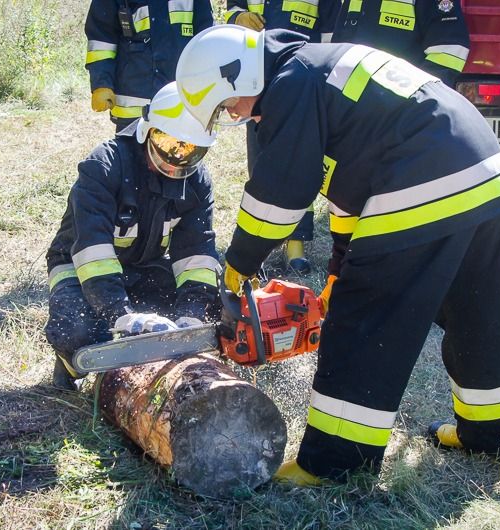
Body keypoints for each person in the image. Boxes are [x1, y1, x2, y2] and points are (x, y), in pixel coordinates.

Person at [174, 26, 500, 485]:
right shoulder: (316, 71)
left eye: (227, 106)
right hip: (481, 171)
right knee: (474, 312)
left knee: (363, 322)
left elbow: (279, 192)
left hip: (425, 176)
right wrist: (341, 266)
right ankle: (489, 433)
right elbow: (351, 194)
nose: (238, 117)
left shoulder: (291, 85)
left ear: (234, 77)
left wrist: (239, 262)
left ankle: (334, 463)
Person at [45, 82, 221, 390]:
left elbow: (197, 255)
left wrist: (192, 317)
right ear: (148, 130)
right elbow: (92, 253)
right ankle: (69, 366)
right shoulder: (104, 166)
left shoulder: (197, 183)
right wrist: (121, 315)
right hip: (78, 267)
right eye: (168, 144)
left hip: (145, 266)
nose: (175, 158)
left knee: (207, 312)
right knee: (80, 330)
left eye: (189, 150)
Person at [226, 0, 340, 273]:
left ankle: (295, 243)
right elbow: (233, 7)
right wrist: (238, 17)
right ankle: (260, 242)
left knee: (300, 164)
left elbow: (329, 30)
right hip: (253, 79)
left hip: (299, 79)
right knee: (262, 164)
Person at [84, 0, 213, 132]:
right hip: (134, 112)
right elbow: (101, 40)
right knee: (131, 152)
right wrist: (101, 84)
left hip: (181, 107)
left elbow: (207, 40)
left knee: (182, 151)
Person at [331, 0, 469, 86]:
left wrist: (422, 96)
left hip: (404, 111)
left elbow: (450, 50)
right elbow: (339, 46)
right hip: (356, 105)